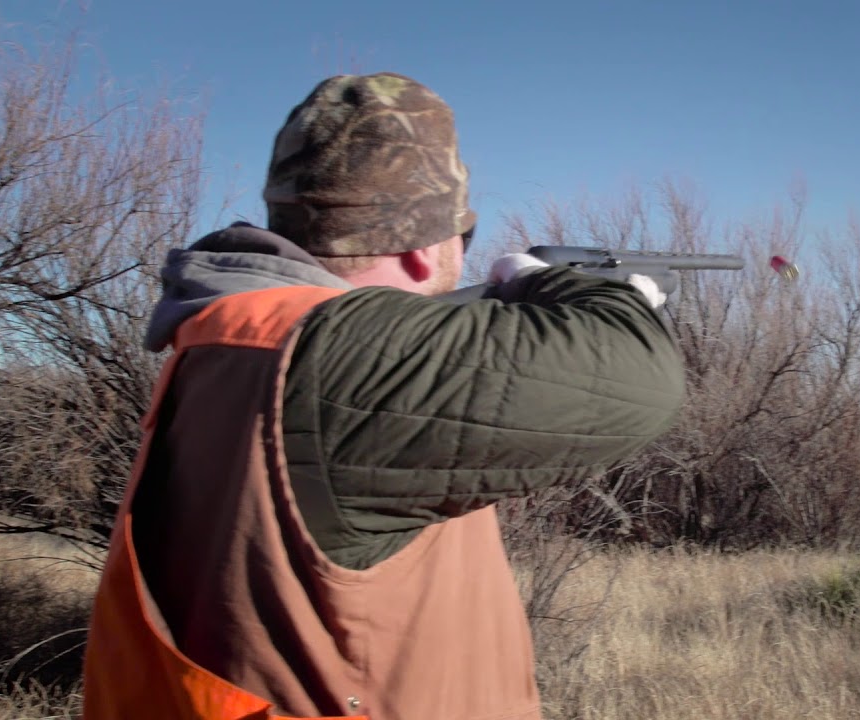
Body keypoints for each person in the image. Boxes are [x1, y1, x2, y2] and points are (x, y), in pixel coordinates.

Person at [80, 72, 685, 720]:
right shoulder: (335, 356)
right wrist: (593, 293)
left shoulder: (234, 331)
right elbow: (636, 378)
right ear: (427, 251)